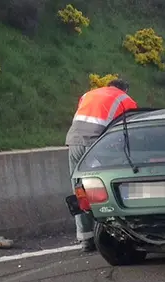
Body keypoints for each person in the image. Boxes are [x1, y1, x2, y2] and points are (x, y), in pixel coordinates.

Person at [65, 78, 137, 252]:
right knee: (104, 186)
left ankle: (85, 239)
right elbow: (131, 129)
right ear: (124, 89)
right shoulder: (125, 100)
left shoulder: (88, 94)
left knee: (80, 189)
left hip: (74, 142)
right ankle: (111, 233)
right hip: (96, 145)